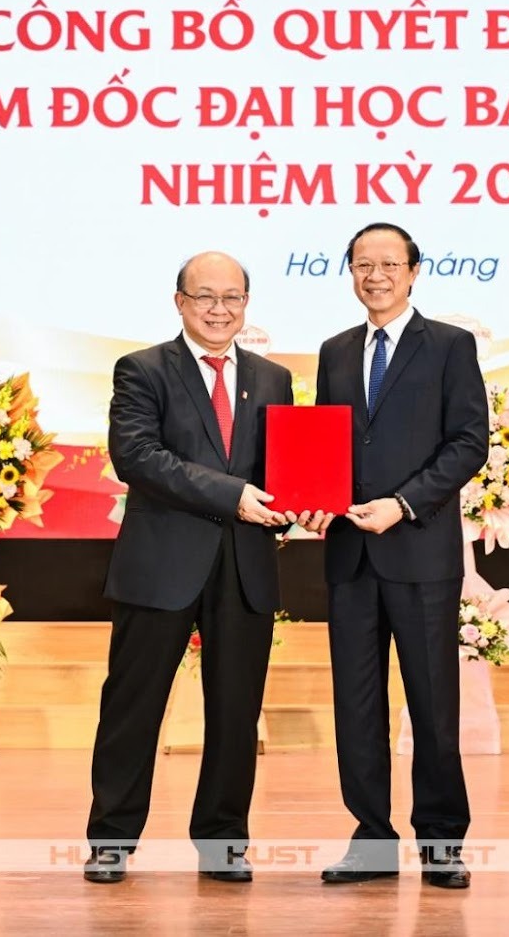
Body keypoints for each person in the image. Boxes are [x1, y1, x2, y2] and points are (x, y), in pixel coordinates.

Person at [85, 251, 294, 884]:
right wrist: (233, 495)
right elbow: (138, 456)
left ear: (246, 304)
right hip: (161, 566)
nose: (218, 310)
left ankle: (224, 843)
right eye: (205, 296)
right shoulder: (143, 369)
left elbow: (280, 469)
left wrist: (301, 504)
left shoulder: (274, 378)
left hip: (246, 566)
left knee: (235, 714)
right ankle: (112, 840)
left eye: (232, 298)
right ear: (180, 302)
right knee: (133, 707)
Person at [307, 222, 487, 890]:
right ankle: (371, 838)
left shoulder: (449, 345)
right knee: (356, 708)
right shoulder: (334, 351)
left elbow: (468, 443)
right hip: (350, 553)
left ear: (414, 271)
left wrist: (403, 503)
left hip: (420, 551)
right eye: (363, 264)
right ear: (350, 272)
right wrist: (312, 496)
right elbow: (326, 444)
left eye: (389, 264)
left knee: (433, 705)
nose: (375, 275)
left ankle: (441, 842)